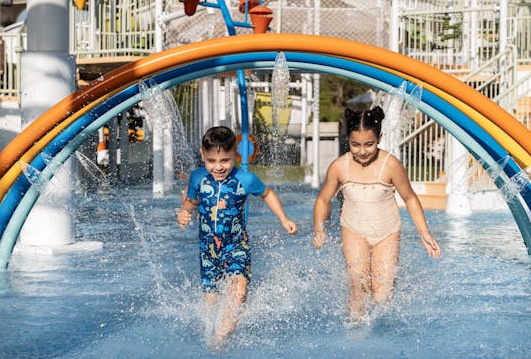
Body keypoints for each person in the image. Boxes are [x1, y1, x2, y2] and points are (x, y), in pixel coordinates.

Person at [313, 106, 440, 323]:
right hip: (354, 230)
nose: (362, 151)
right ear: (347, 140)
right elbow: (323, 199)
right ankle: (355, 332)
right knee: (358, 284)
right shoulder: (339, 167)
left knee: (382, 295)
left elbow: (409, 198)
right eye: (355, 145)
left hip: (386, 233)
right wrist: (319, 230)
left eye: (369, 144)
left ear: (379, 138)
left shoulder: (390, 165)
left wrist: (424, 232)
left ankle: (380, 329)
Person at [177, 126, 297, 345]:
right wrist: (184, 212)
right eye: (212, 160)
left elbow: (267, 193)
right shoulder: (197, 177)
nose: (218, 167)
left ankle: (220, 341)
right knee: (211, 302)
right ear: (202, 155)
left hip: (236, 246)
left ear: (235, 155)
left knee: (238, 291)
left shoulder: (245, 179)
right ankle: (226, 325)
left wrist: (283, 219)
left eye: (225, 160)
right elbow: (191, 202)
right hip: (208, 250)